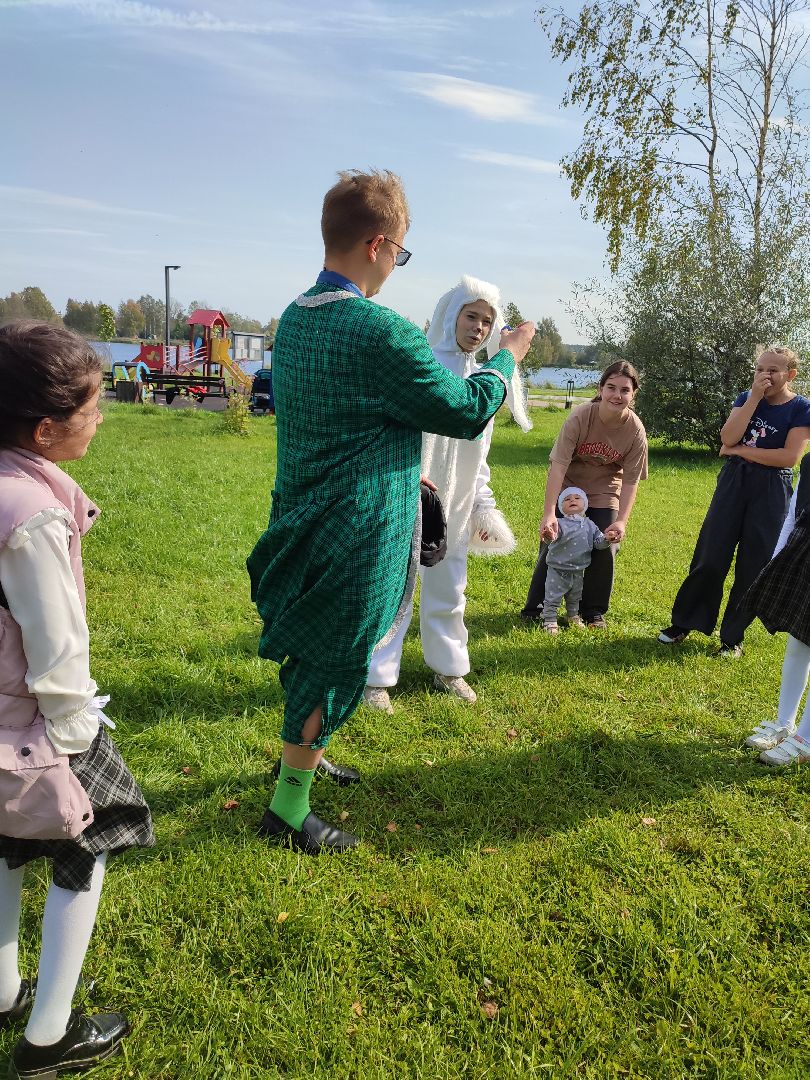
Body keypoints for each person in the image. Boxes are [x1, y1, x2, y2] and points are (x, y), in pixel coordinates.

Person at [247, 170, 535, 854]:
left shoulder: (295, 319)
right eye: (399, 253)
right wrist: (507, 360)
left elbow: (348, 414)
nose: (394, 267)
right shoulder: (380, 330)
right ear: (378, 244)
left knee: (315, 652)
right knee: (333, 662)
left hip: (301, 512)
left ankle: (307, 754)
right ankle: (288, 809)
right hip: (356, 526)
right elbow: (463, 409)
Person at [0, 322, 153, 1078]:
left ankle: (2, 991)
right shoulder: (31, 514)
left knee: (5, 842)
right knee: (84, 841)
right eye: (91, 409)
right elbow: (55, 643)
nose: (99, 420)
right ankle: (49, 1036)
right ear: (45, 428)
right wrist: (76, 733)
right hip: (32, 722)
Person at [364, 275, 532, 713]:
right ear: (451, 315)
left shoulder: (484, 379)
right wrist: (410, 480)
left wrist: (482, 502)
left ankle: (448, 668)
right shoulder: (424, 366)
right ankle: (376, 677)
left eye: (487, 321)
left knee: (451, 589)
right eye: (471, 316)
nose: (478, 327)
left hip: (455, 504)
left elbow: (479, 453)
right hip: (412, 494)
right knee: (395, 590)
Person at [658, 347, 810, 657]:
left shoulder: (801, 408)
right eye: (759, 369)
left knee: (753, 563)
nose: (764, 375)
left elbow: (788, 457)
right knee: (710, 555)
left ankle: (732, 637)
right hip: (734, 481)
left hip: (772, 487)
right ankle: (685, 622)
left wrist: (740, 450)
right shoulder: (746, 398)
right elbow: (727, 438)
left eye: (773, 370)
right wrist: (753, 399)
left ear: (790, 375)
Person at [521, 361, 648, 628]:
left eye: (624, 390)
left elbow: (630, 480)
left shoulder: (635, 431)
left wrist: (621, 521)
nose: (617, 395)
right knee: (553, 539)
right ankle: (537, 608)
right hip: (570, 486)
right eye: (611, 387)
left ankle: (592, 611)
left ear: (633, 394)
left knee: (606, 543)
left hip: (605, 490)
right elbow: (558, 466)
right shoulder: (580, 417)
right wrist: (549, 514)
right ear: (600, 389)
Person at [743, 451, 810, 764]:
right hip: (804, 553)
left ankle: (806, 739)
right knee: (798, 642)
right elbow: (794, 514)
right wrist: (776, 559)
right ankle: (785, 723)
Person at [542, 486, 611, 634]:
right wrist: (549, 535)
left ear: (584, 504)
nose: (572, 500)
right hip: (558, 570)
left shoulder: (590, 525)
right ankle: (549, 619)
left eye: (577, 498)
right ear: (561, 507)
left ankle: (572, 615)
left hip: (578, 570)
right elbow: (551, 539)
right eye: (567, 499)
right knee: (553, 596)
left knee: (575, 596)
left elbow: (598, 543)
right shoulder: (559, 523)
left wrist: (607, 539)